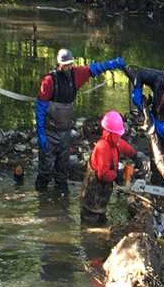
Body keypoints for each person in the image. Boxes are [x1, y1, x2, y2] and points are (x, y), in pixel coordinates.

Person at [35, 49, 127, 193]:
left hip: (65, 132)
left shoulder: (76, 74)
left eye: (70, 64)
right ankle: (41, 199)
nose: (68, 67)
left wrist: (114, 64)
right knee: (45, 170)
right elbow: (40, 109)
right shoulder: (48, 82)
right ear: (58, 64)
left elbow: (95, 68)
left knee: (62, 170)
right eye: (65, 65)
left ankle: (62, 201)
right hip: (49, 132)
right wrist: (40, 133)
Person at [80, 110, 148, 224]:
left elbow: (124, 146)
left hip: (101, 200)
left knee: (102, 221)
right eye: (118, 134)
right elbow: (103, 174)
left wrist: (135, 156)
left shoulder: (114, 142)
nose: (120, 136)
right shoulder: (103, 147)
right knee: (90, 227)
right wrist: (118, 174)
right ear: (110, 133)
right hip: (92, 199)